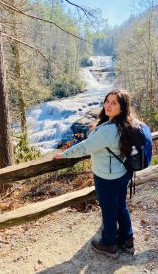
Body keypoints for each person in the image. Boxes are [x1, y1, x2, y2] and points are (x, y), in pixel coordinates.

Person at [54, 89, 135, 258]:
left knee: (109, 210)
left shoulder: (108, 130)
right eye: (107, 101)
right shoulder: (127, 123)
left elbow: (85, 147)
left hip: (107, 177)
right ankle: (127, 240)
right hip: (122, 173)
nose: (108, 105)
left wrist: (64, 154)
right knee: (121, 205)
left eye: (114, 103)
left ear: (122, 108)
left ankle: (109, 244)